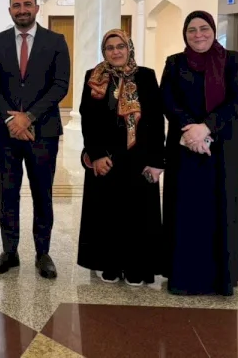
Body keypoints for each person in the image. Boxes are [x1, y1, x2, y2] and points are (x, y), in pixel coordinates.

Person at [0, 0, 70, 280]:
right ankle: (10, 251)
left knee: (42, 193)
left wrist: (29, 117)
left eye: (27, 4)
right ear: (10, 10)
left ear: (36, 8)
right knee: (8, 192)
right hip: (5, 132)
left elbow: (60, 85)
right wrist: (12, 120)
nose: (22, 10)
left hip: (43, 131)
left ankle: (43, 253)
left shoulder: (56, 41)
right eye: (17, 5)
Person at [160, 10, 238, 296]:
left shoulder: (232, 60)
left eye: (204, 28)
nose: (198, 34)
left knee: (222, 206)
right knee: (186, 209)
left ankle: (221, 277)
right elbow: (168, 100)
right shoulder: (174, 63)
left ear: (212, 30)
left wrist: (207, 127)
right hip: (185, 144)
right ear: (185, 35)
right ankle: (184, 276)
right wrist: (191, 130)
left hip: (223, 145)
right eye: (192, 30)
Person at [76, 29, 165, 287]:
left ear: (129, 48)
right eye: (110, 47)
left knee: (138, 214)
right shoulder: (93, 78)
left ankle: (137, 266)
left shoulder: (145, 76)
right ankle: (110, 263)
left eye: (120, 46)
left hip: (139, 157)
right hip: (107, 158)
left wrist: (157, 161)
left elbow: (156, 120)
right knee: (107, 213)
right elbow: (87, 119)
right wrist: (95, 155)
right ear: (104, 52)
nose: (115, 52)